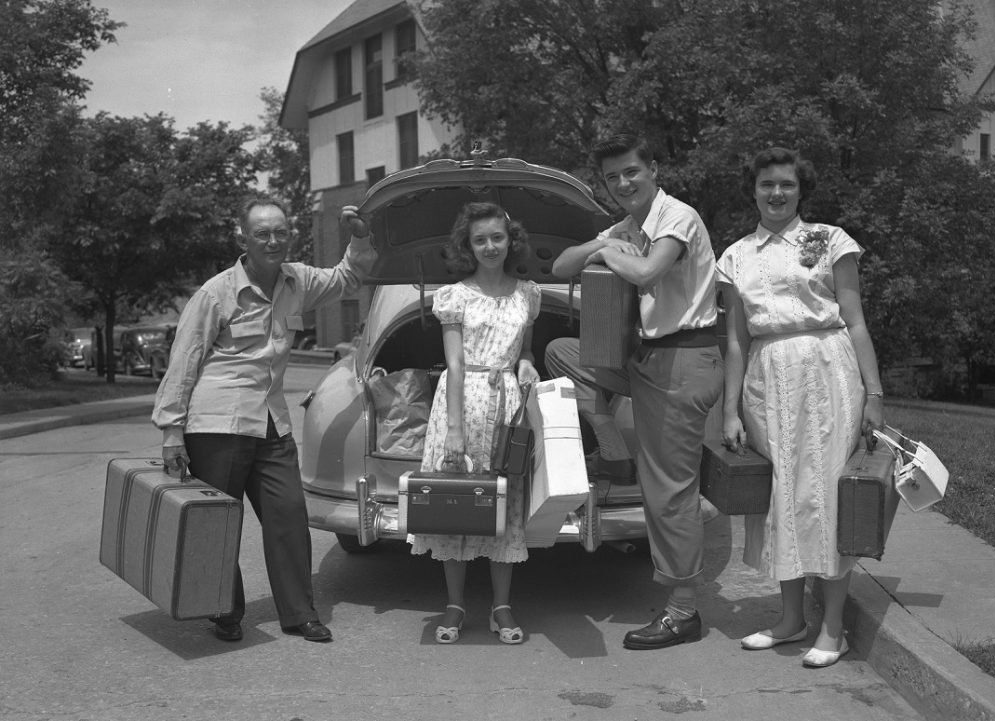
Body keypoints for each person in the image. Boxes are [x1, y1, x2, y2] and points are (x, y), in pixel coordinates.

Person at [152, 194, 377, 643]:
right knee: (218, 520)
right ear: (244, 238)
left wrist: (360, 237)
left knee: (288, 517)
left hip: (272, 422)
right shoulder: (215, 294)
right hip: (217, 424)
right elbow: (184, 360)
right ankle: (223, 609)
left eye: (280, 232)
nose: (273, 241)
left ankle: (298, 613)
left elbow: (348, 277)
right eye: (262, 233)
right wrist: (172, 431)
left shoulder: (299, 281)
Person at [545, 133, 723, 650]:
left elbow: (647, 271)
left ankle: (683, 611)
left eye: (631, 172)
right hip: (645, 359)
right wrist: (602, 244)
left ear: (654, 169)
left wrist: (613, 253)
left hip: (683, 359)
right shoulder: (627, 226)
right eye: (612, 177)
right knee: (562, 350)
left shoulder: (677, 217)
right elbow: (559, 267)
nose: (623, 183)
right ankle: (614, 450)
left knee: (668, 489)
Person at [717, 147, 885, 668]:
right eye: (766, 184)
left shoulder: (829, 240)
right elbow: (737, 341)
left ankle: (833, 628)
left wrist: (874, 393)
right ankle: (791, 619)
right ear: (753, 190)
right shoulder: (736, 256)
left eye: (786, 184)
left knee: (827, 496)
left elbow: (854, 321)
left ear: (800, 189)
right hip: (767, 380)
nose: (776, 193)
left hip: (828, 372)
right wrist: (730, 410)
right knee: (782, 498)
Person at [409, 201, 541, 645]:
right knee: (456, 503)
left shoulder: (528, 293)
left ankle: (501, 607)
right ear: (468, 245)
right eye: (479, 239)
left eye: (497, 237)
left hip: (507, 407)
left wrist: (525, 363)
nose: (489, 246)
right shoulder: (455, 296)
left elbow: (526, 348)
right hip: (461, 403)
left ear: (511, 240)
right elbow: (456, 364)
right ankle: (455, 603)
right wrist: (454, 430)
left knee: (507, 503)